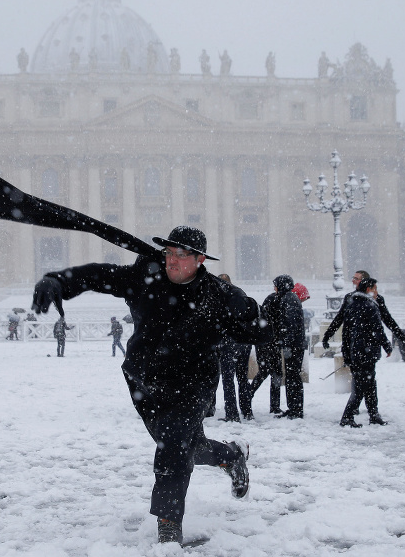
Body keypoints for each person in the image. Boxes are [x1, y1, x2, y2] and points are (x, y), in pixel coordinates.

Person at [31, 225, 256, 544]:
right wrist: (59, 280)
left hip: (193, 381)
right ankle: (230, 456)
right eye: (168, 254)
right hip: (147, 381)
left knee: (174, 445)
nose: (172, 261)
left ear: (200, 259)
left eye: (181, 255)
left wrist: (249, 319)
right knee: (186, 446)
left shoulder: (217, 293)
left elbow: (254, 325)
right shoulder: (143, 277)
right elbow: (98, 274)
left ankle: (169, 526)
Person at [338, 278, 392, 427]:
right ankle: (348, 416)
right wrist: (387, 345)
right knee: (363, 385)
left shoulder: (352, 304)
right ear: (369, 289)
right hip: (367, 352)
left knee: (368, 385)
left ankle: (373, 414)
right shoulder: (370, 306)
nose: (376, 292)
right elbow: (378, 330)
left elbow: (346, 332)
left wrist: (347, 353)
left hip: (356, 351)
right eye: (375, 289)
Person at [322, 270, 405, 357]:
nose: (353, 280)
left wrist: (401, 336)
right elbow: (339, 318)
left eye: (356, 278)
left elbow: (387, 320)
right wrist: (327, 336)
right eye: (353, 278)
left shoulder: (376, 299)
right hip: (350, 342)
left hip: (368, 345)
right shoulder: (349, 298)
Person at [262, 275, 306, 419]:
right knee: (292, 377)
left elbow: (289, 324)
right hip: (295, 345)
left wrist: (286, 344)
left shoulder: (288, 299)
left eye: (275, 285)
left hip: (293, 346)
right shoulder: (290, 298)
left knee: (293, 378)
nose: (274, 288)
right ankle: (294, 408)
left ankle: (296, 410)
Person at [216, 274, 253, 422]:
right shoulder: (240, 293)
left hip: (229, 343)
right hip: (244, 341)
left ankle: (232, 413)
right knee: (242, 378)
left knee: (228, 379)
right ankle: (247, 410)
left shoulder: (221, 297)